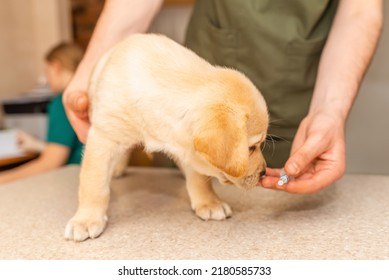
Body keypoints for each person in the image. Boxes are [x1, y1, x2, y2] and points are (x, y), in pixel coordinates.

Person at [62, 0, 383, 194]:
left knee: (274, 194)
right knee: (198, 177)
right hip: (211, 63)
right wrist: (91, 71)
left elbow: (360, 10)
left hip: (299, 79)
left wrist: (330, 110)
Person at [0, 43, 84, 185]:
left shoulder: (63, 101)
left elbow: (50, 164)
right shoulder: (84, 94)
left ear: (56, 66)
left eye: (47, 73)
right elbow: (76, 147)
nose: (47, 80)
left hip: (74, 181)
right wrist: (37, 145)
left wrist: (2, 179)